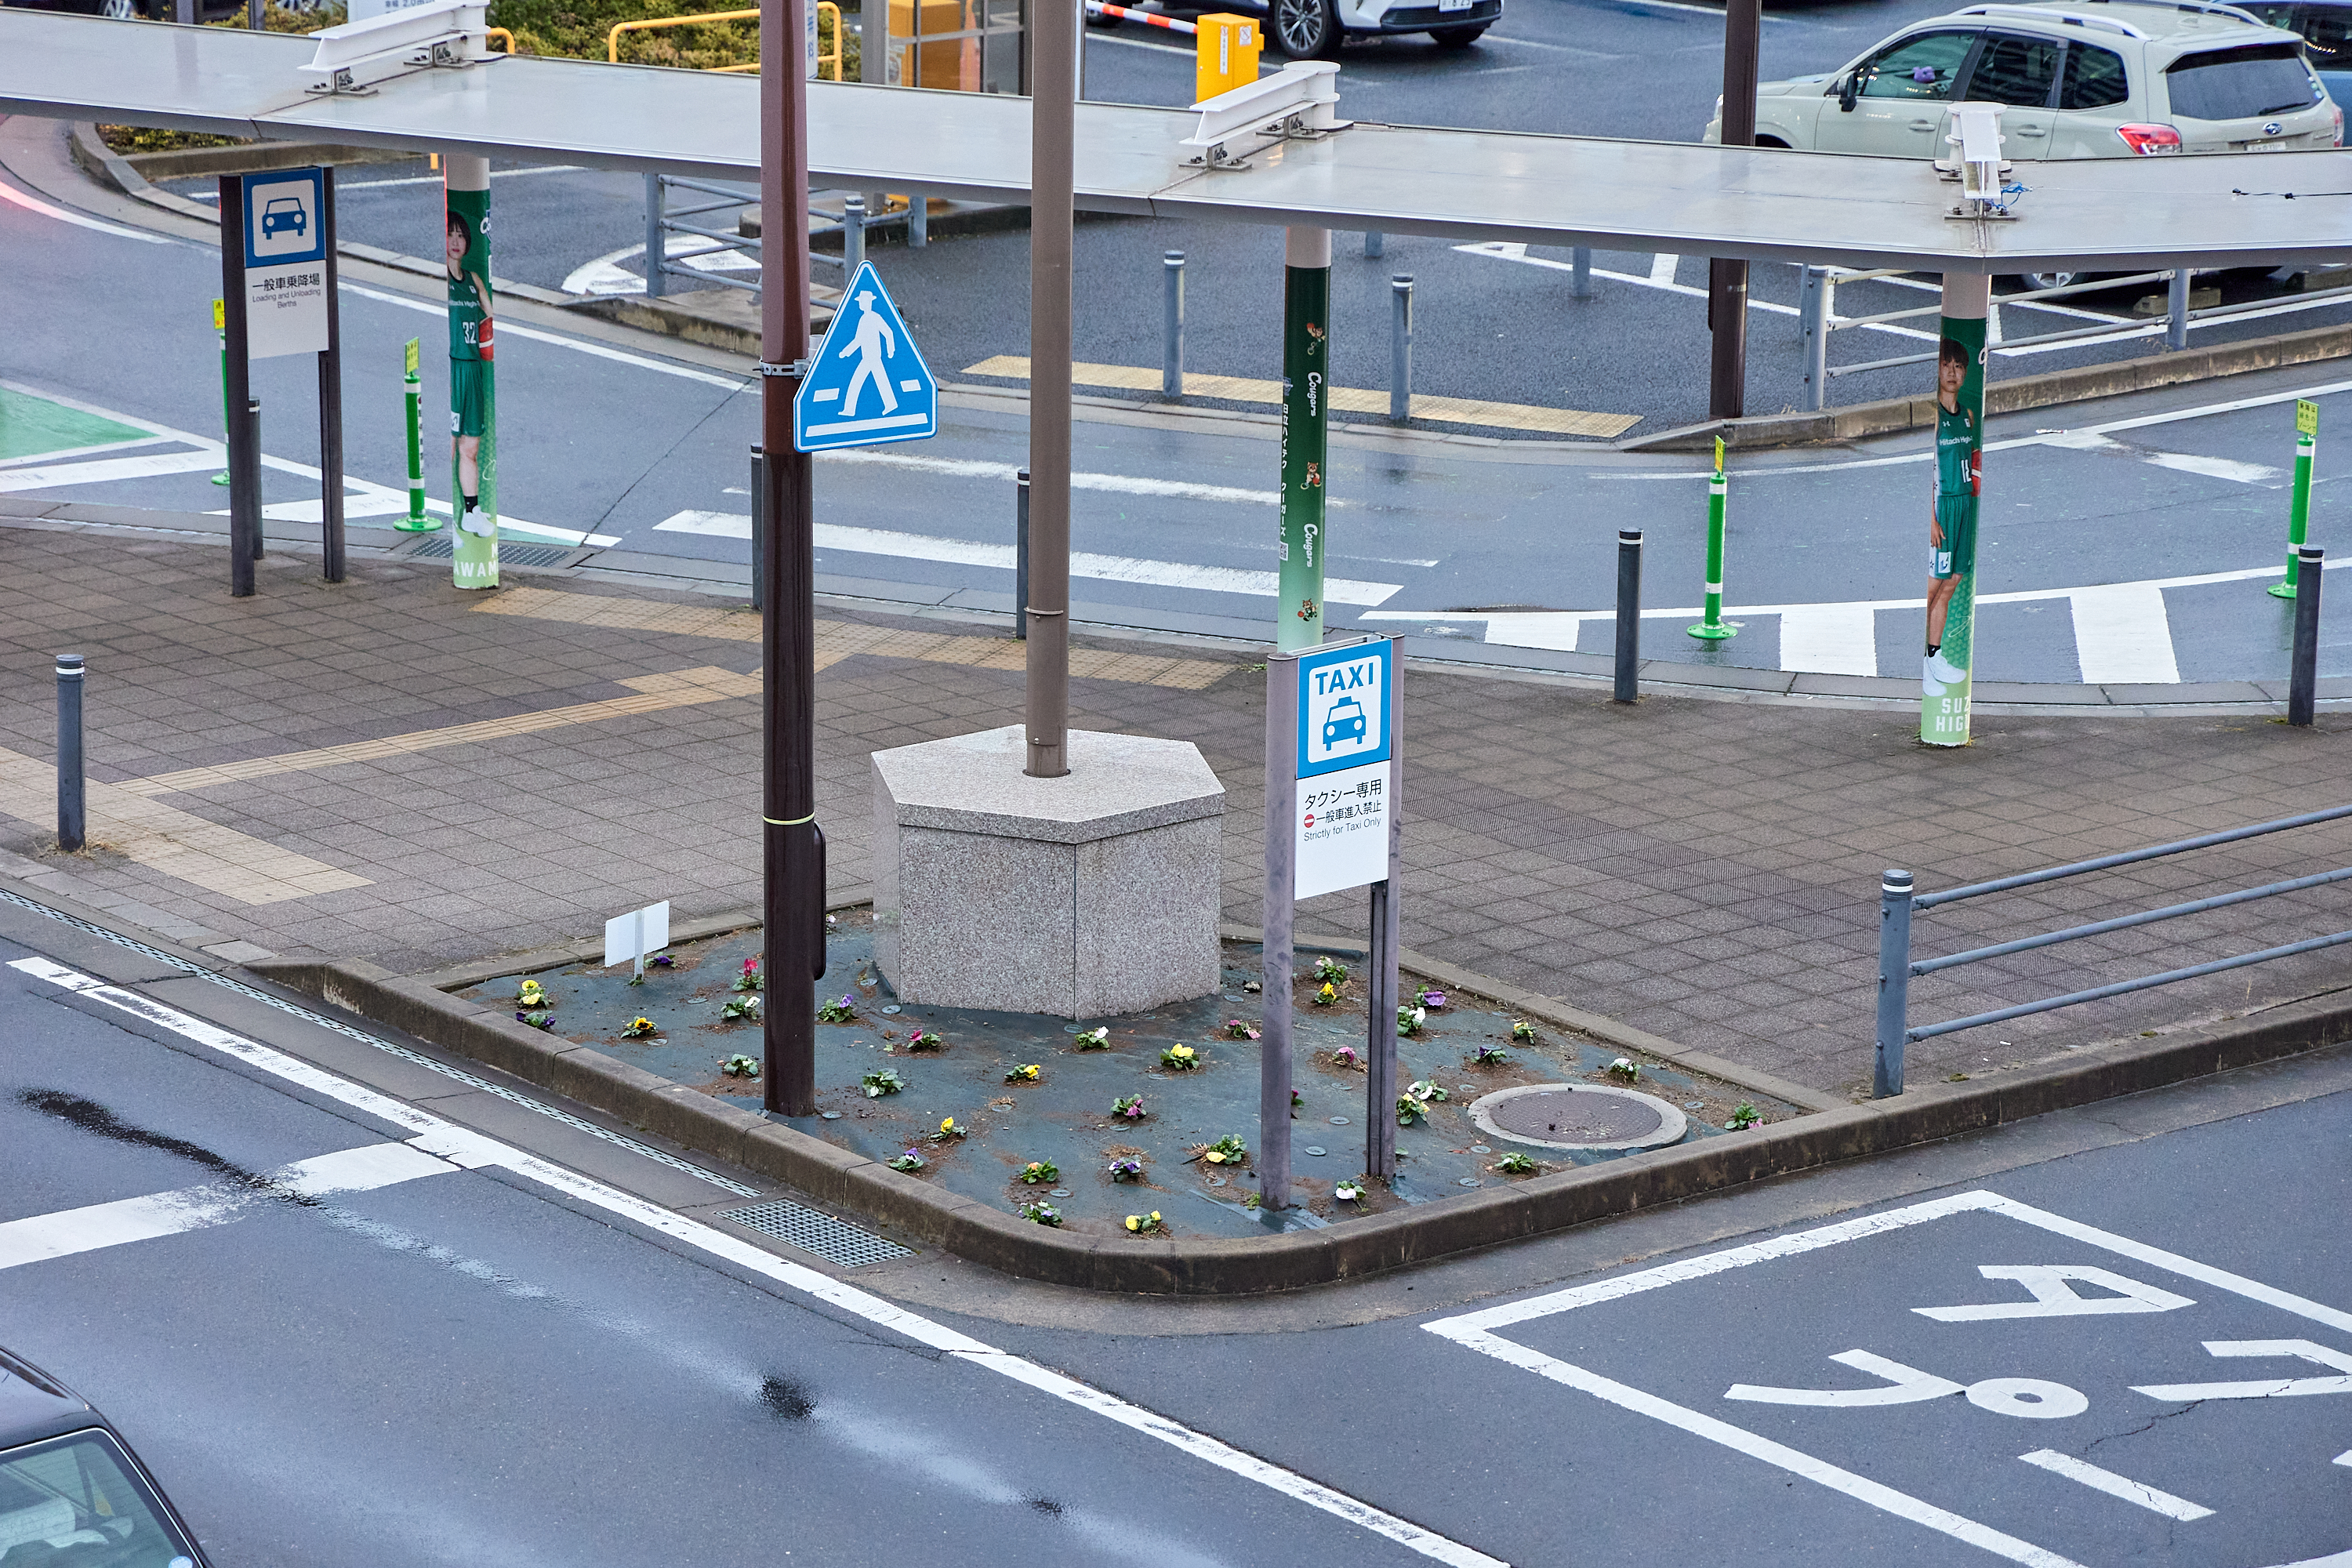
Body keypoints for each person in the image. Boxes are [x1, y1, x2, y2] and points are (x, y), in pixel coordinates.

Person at [1923, 335, 1977, 695]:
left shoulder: (1969, 417)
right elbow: (1926, 470)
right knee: (1934, 585)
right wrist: (1930, 517)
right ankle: (1931, 656)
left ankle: (1935, 657)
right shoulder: (1935, 417)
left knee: (1954, 580)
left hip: (1966, 506)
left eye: (1959, 366)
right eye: (1947, 365)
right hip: (1943, 506)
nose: (1952, 372)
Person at [445, 208, 493, 535]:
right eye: (450, 234)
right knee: (454, 443)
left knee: (471, 446)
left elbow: (491, 316)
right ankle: (466, 512)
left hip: (473, 367)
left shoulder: (473, 280)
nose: (456, 241)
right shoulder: (443, 280)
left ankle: (472, 510)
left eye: (461, 234)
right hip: (455, 366)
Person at [837, 290, 898, 419]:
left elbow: (888, 332)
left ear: (868, 302)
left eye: (862, 301)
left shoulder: (875, 317)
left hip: (873, 357)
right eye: (860, 302)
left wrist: (891, 350)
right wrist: (845, 352)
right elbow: (858, 340)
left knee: (856, 382)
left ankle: (849, 410)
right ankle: (891, 405)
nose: (860, 304)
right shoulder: (863, 318)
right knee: (881, 381)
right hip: (869, 357)